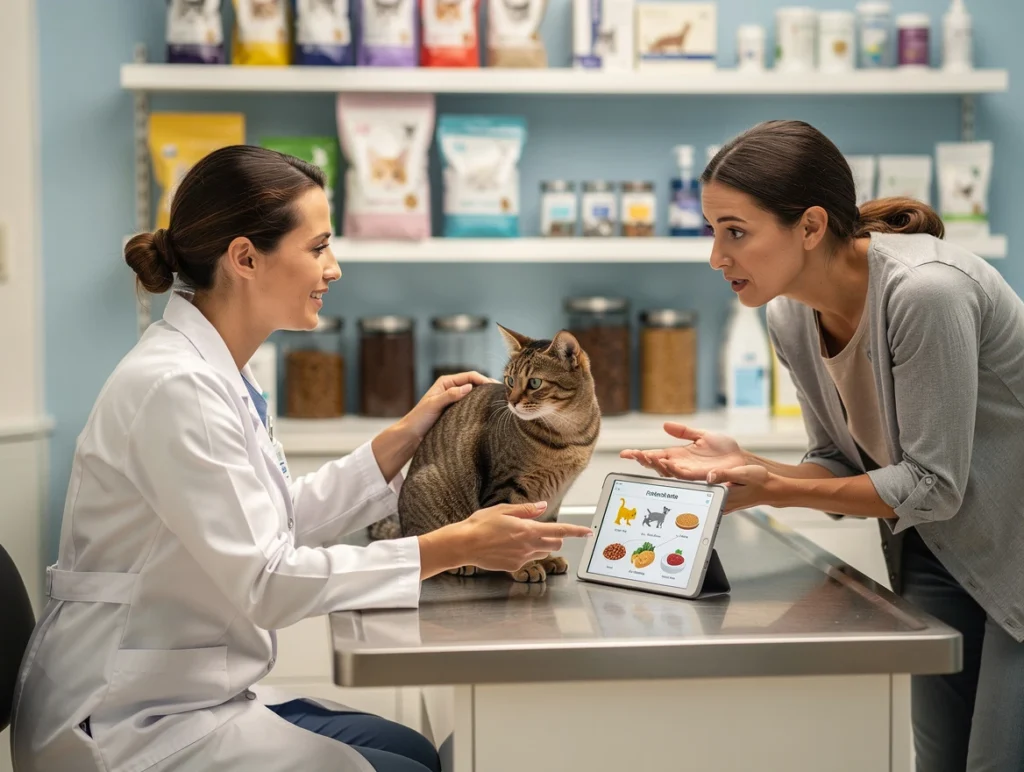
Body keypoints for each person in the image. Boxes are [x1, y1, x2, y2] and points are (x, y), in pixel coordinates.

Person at [11, 145, 591, 772]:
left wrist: (405, 434)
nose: (334, 268)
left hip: (188, 688)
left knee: (413, 751)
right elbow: (266, 582)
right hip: (128, 718)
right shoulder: (176, 389)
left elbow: (271, 519)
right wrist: (451, 546)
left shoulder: (216, 370)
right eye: (318, 248)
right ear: (245, 258)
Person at [622, 120, 1024, 772]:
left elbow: (930, 483)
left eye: (736, 231)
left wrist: (773, 484)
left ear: (809, 226)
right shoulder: (790, 315)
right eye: (712, 230)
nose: (716, 256)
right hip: (938, 548)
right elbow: (840, 467)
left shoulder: (927, 292)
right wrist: (745, 469)